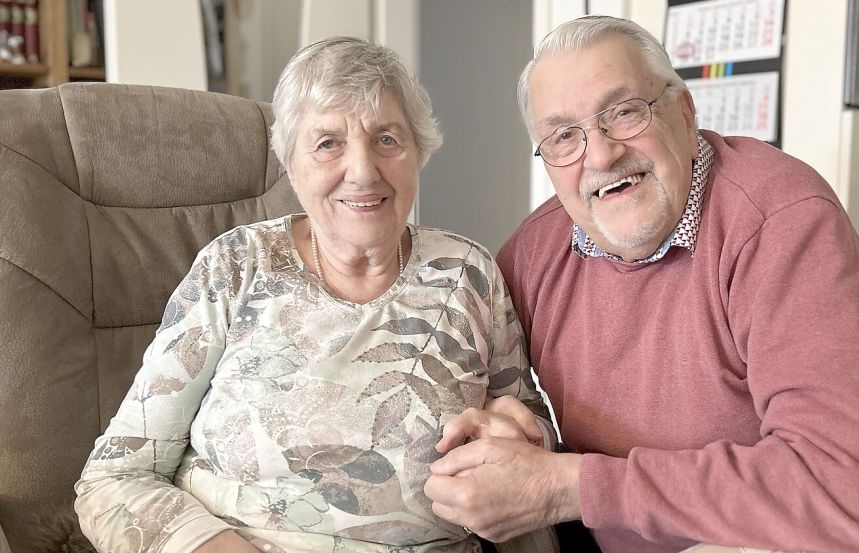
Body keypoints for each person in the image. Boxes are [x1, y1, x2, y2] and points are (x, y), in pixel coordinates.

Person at [423, 15, 859, 553]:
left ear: (686, 113)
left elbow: (841, 489)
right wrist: (526, 442)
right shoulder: (530, 257)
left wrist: (568, 487)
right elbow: (541, 428)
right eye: (564, 137)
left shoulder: (779, 223)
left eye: (624, 112)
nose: (602, 153)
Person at [75, 37, 556, 553]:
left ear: (418, 150)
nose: (364, 170)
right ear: (291, 162)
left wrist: (526, 440)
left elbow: (528, 447)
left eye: (388, 139)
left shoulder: (468, 273)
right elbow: (114, 479)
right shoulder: (235, 267)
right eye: (328, 143)